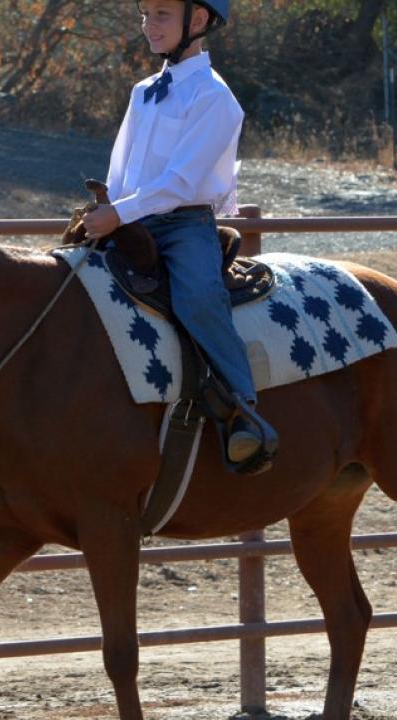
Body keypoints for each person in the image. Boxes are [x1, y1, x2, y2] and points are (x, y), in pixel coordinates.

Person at [82, 0, 275, 471]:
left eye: (162, 14)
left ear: (199, 20)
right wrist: (109, 209)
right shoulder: (143, 91)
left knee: (197, 298)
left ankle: (243, 412)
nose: (149, 24)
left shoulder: (215, 99)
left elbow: (180, 183)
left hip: (182, 224)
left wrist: (121, 213)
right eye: (145, 13)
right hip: (129, 218)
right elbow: (122, 167)